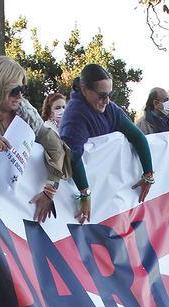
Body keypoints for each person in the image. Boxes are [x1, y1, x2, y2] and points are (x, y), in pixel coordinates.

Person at [0, 56, 87, 224]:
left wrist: (49, 191)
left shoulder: (26, 112)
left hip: (16, 204)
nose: (20, 95)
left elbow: (56, 146)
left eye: (23, 89)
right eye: (15, 90)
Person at [59, 64, 154, 203]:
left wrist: (148, 174)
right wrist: (85, 194)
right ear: (85, 90)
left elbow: (138, 137)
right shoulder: (74, 116)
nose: (107, 101)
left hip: (109, 188)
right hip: (86, 191)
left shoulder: (111, 110)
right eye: (102, 95)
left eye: (110, 95)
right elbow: (72, 156)